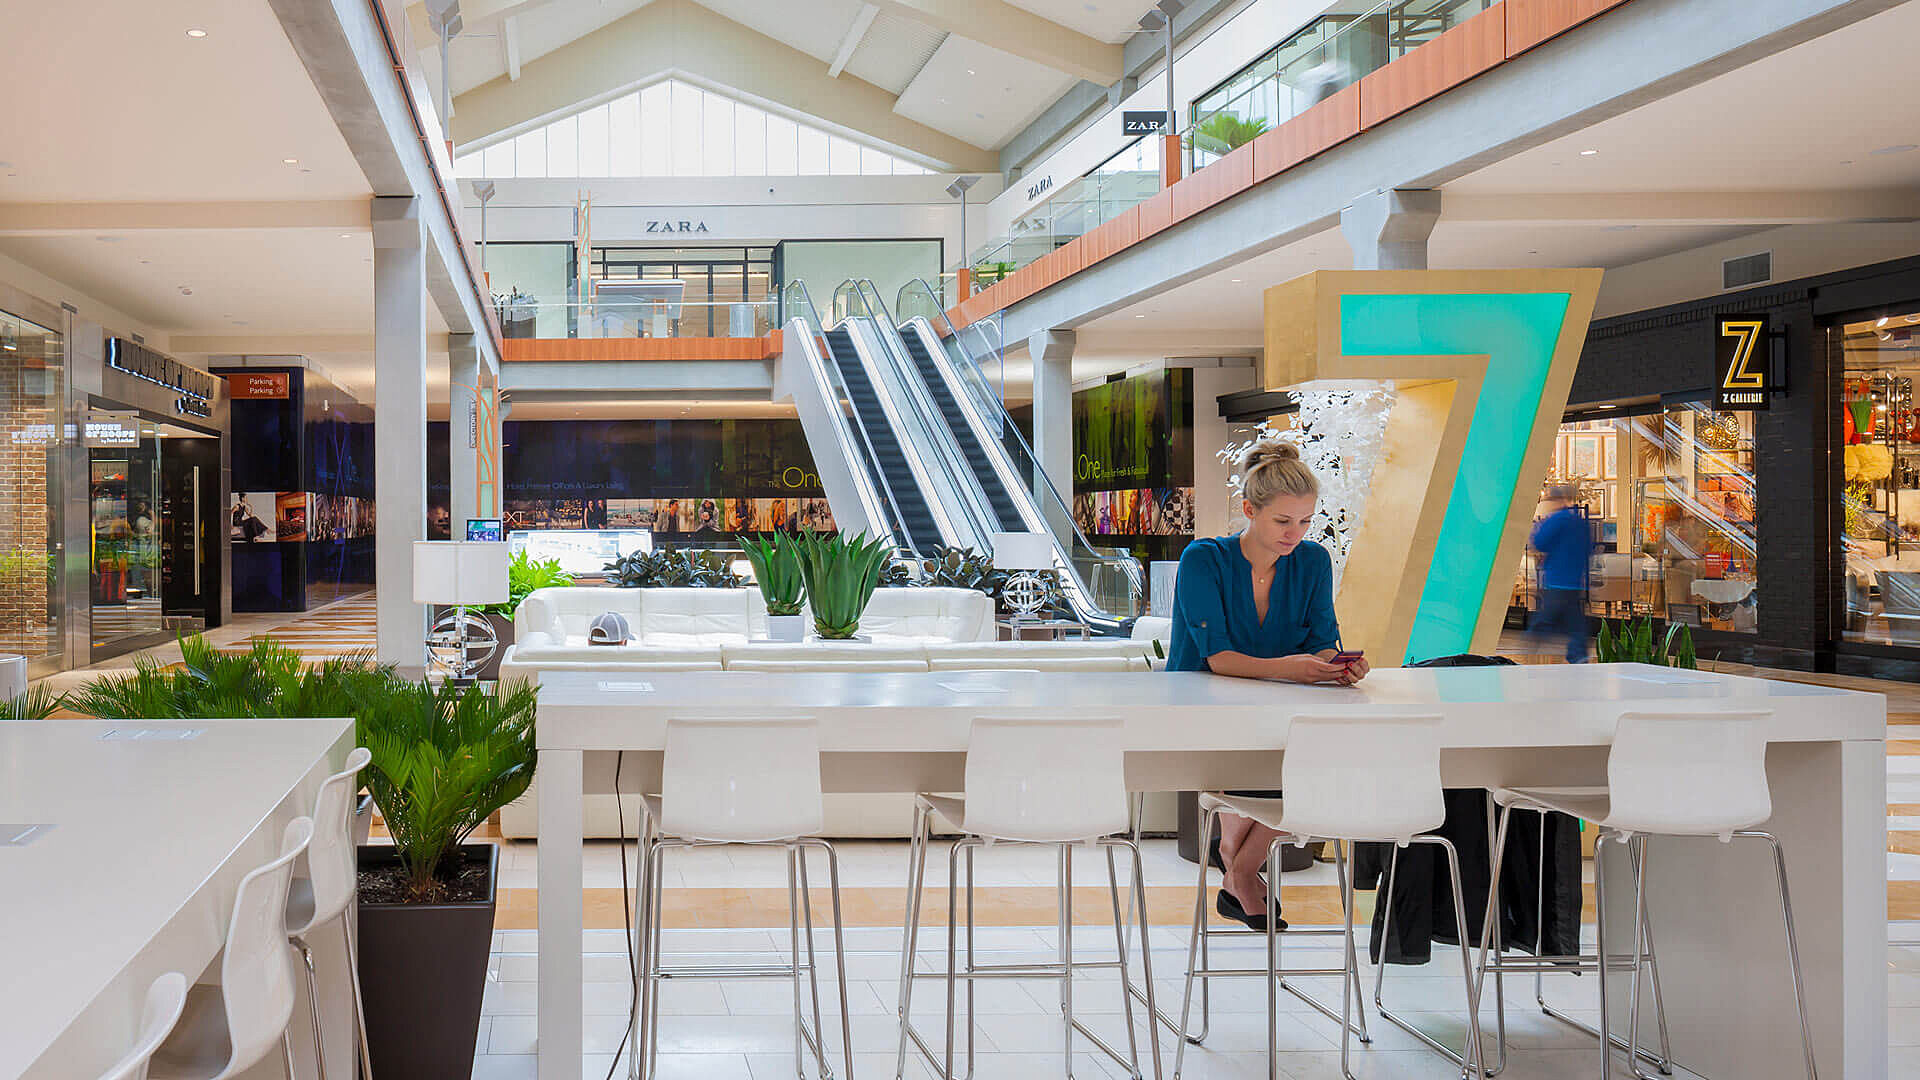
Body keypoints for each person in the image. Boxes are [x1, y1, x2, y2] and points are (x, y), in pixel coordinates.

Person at [1167, 441, 1368, 930]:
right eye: (1283, 521)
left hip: (1280, 710)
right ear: (1249, 510)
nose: (1294, 533)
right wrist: (1294, 669)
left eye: (1305, 521)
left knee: (1328, 766)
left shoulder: (1312, 561)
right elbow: (1218, 660)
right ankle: (1240, 870)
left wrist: (1338, 667)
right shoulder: (1203, 559)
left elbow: (1321, 642)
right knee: (1270, 766)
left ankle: (1238, 870)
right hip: (1204, 711)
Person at [1529, 483, 1593, 663]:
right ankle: (1578, 654)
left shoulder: (1556, 520)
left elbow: (1539, 542)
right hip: (1575, 579)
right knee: (1575, 620)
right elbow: (1589, 548)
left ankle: (1530, 645)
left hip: (1557, 577)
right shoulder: (1580, 522)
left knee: (1546, 617)